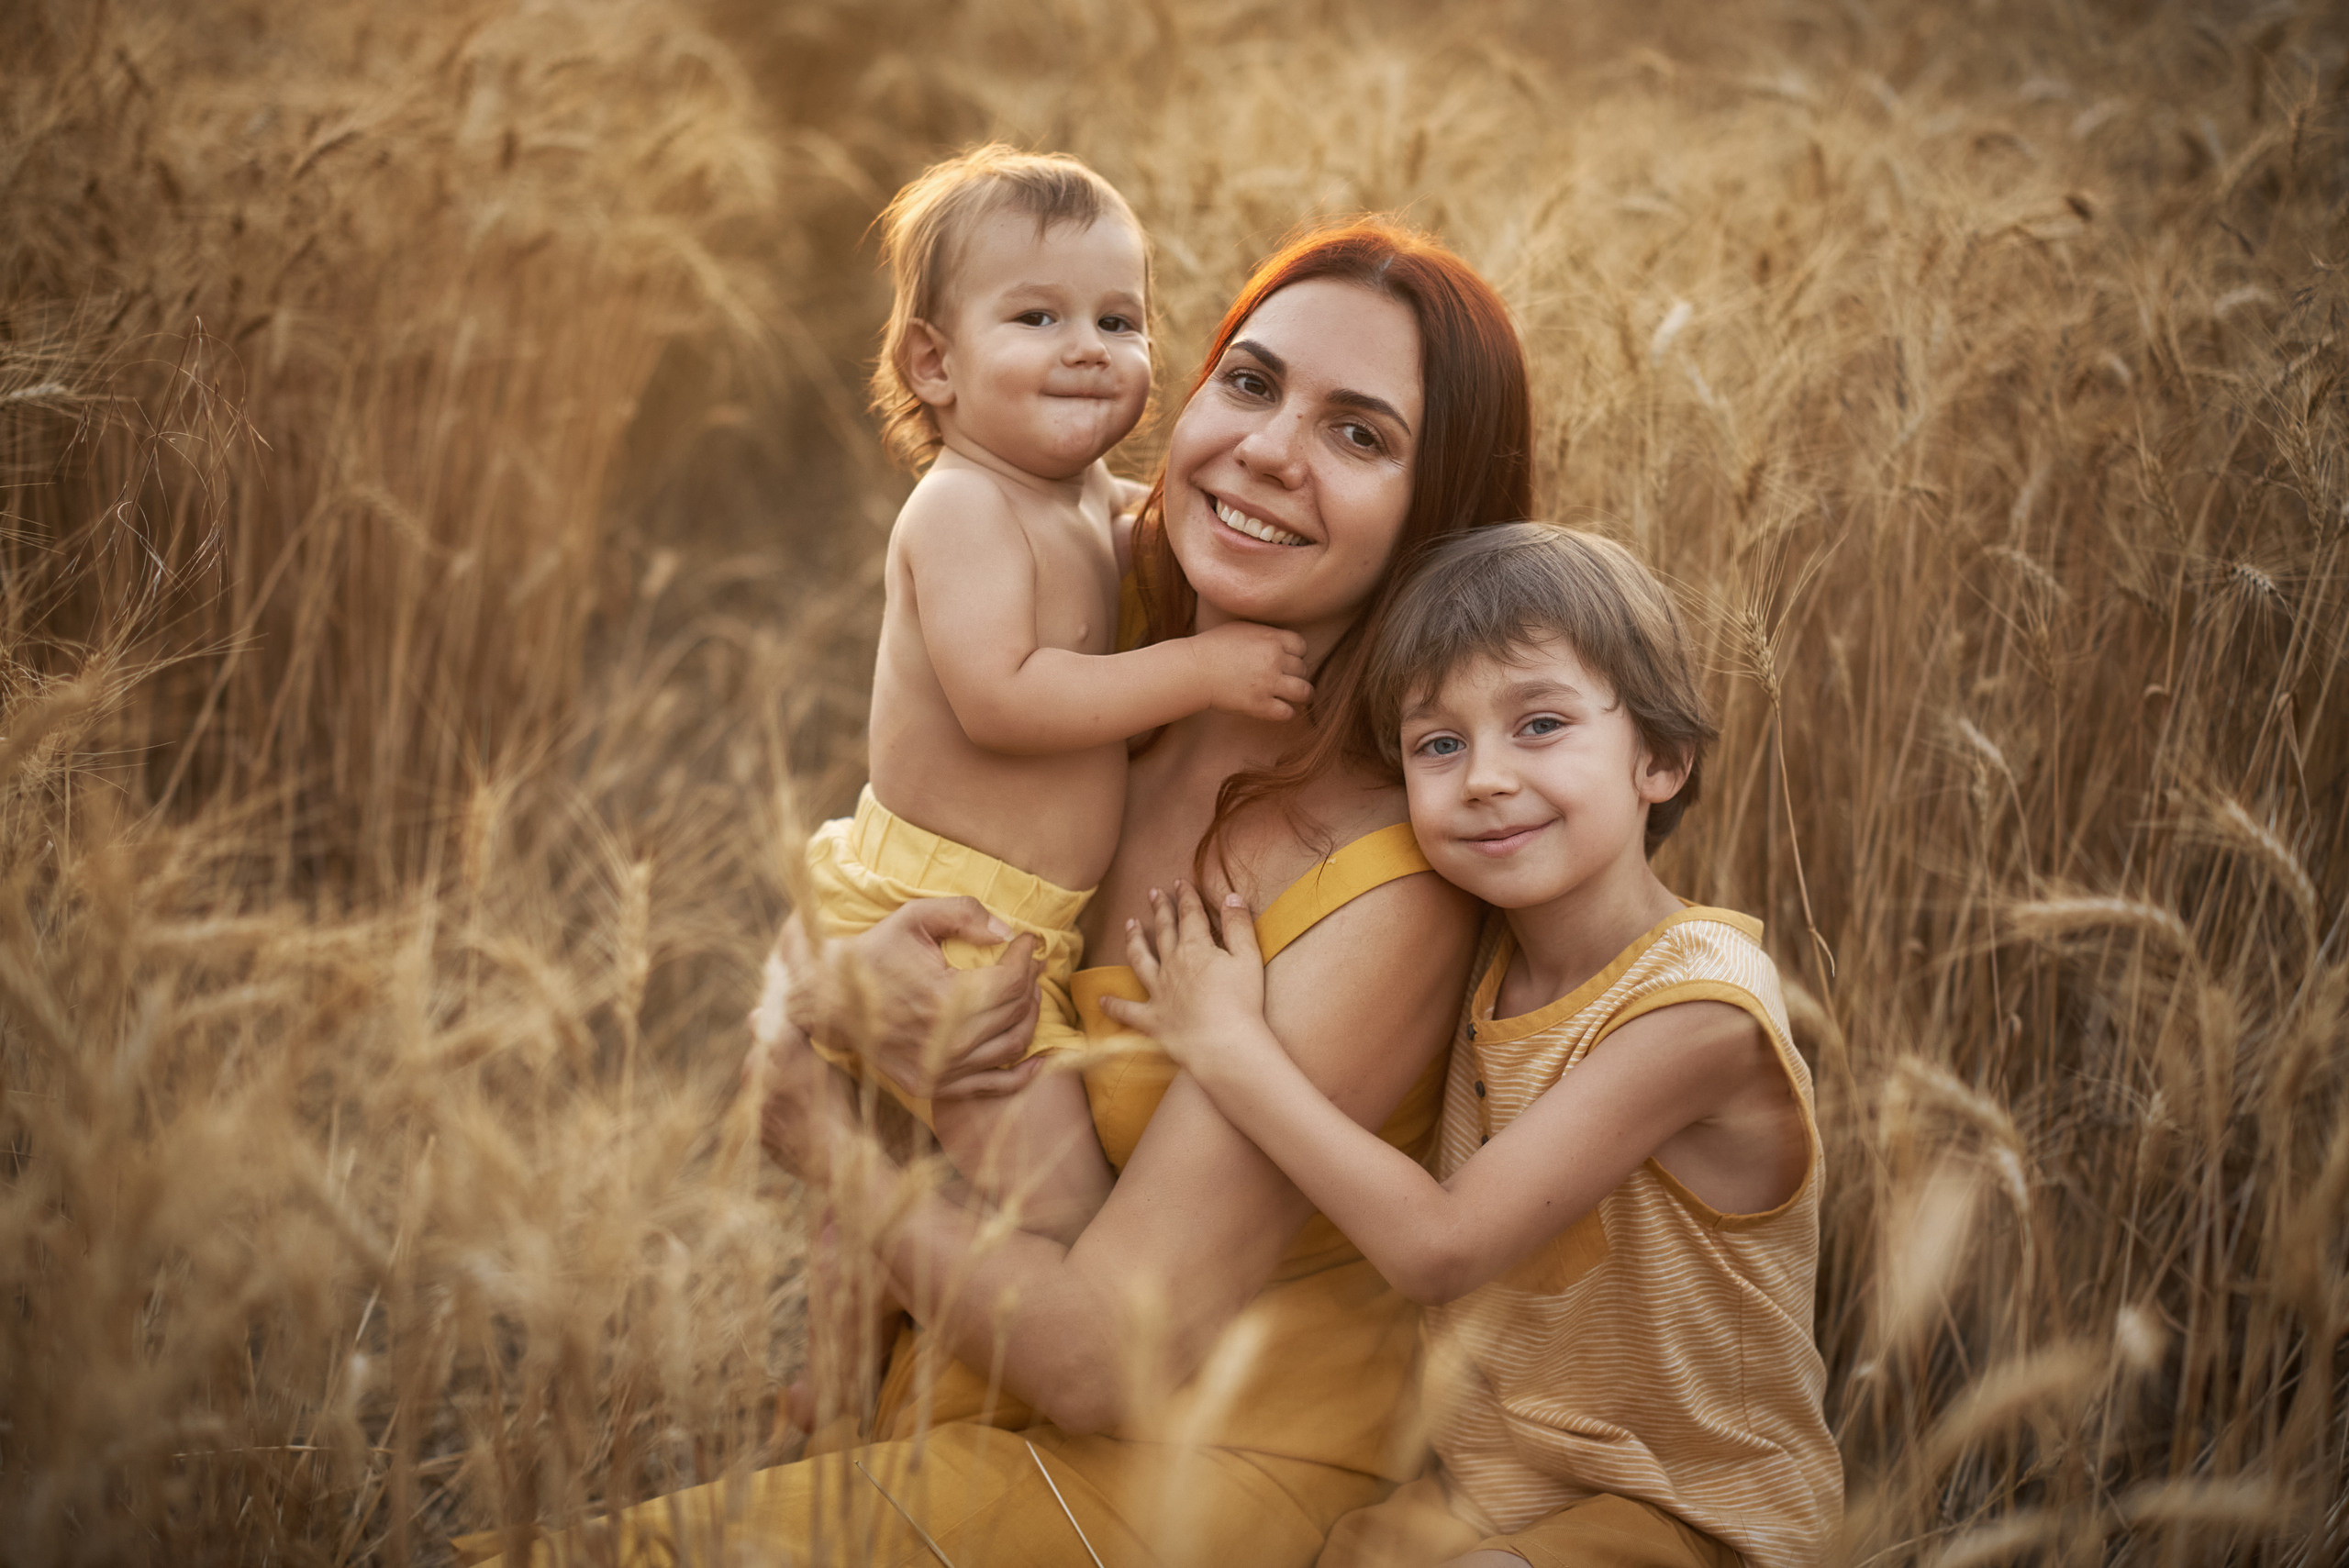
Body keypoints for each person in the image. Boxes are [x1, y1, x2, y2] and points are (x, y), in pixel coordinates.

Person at [466, 215, 1534, 1568]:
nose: (1268, 450)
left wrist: (821, 1138)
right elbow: (870, 865)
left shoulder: (1384, 881)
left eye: (1360, 434)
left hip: (1187, 1482)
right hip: (944, 1402)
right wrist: (834, 987)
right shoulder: (1101, 629)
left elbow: (1109, 1363)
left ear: (1437, 520)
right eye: (1252, 383)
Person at [1111, 524, 1842, 1568]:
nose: (1484, 776)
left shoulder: (1697, 1009)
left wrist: (1226, 1042)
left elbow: (1439, 1248)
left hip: (1693, 1515)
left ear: (1662, 758)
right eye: (1437, 744)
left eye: (1538, 724)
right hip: (1489, 1494)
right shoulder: (1484, 952)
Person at [805, 142, 1313, 1235]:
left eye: (1118, 323)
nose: (1088, 350)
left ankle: (852, 1371)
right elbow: (1005, 696)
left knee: (903, 1162)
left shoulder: (1084, 494)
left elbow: (1154, 524)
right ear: (934, 364)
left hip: (1027, 921)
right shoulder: (963, 511)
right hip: (945, 922)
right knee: (1066, 1213)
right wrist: (1202, 667)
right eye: (1037, 320)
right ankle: (841, 1385)